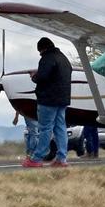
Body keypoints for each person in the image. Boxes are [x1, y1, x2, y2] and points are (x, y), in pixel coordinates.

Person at [22, 37, 72, 167]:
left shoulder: (47, 58)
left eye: (40, 52)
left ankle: (37, 159)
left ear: (43, 48)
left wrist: (34, 77)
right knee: (60, 128)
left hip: (48, 100)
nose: (40, 54)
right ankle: (62, 158)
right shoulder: (63, 58)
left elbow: (43, 77)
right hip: (62, 100)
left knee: (45, 129)